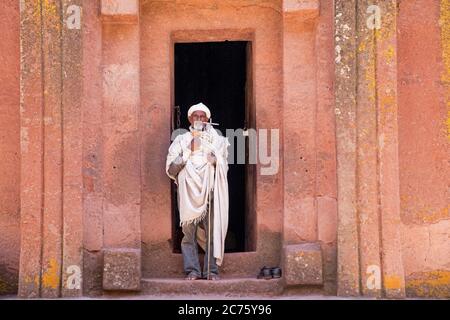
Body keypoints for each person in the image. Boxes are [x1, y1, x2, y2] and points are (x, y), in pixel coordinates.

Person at [165, 102, 230, 280]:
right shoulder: (180, 140)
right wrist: (189, 150)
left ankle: (211, 271)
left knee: (211, 232)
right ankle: (192, 270)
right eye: (196, 116)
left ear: (208, 120)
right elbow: (171, 169)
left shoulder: (218, 141)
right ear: (189, 119)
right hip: (187, 194)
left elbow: (224, 167)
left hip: (209, 192)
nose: (199, 120)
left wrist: (216, 160)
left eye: (202, 117)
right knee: (188, 234)